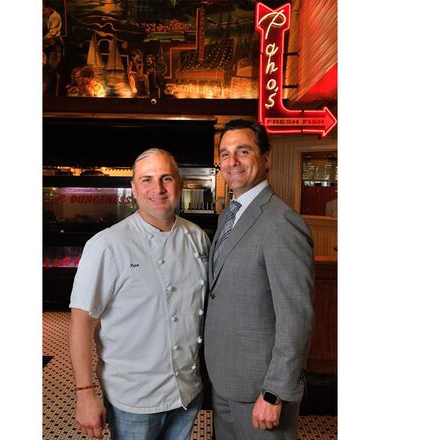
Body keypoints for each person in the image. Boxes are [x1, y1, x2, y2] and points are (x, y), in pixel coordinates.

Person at [69, 148, 211, 439]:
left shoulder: (197, 237)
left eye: (166, 178)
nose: (157, 189)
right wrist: (85, 394)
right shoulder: (107, 244)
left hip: (186, 390)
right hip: (133, 398)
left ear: (179, 184)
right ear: (133, 189)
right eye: (147, 179)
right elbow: (81, 321)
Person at [203, 119, 316, 439]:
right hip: (224, 380)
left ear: (266, 158)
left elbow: (297, 318)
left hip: (261, 391)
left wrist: (274, 392)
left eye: (243, 151)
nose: (231, 161)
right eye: (224, 154)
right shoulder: (229, 215)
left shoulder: (282, 222)